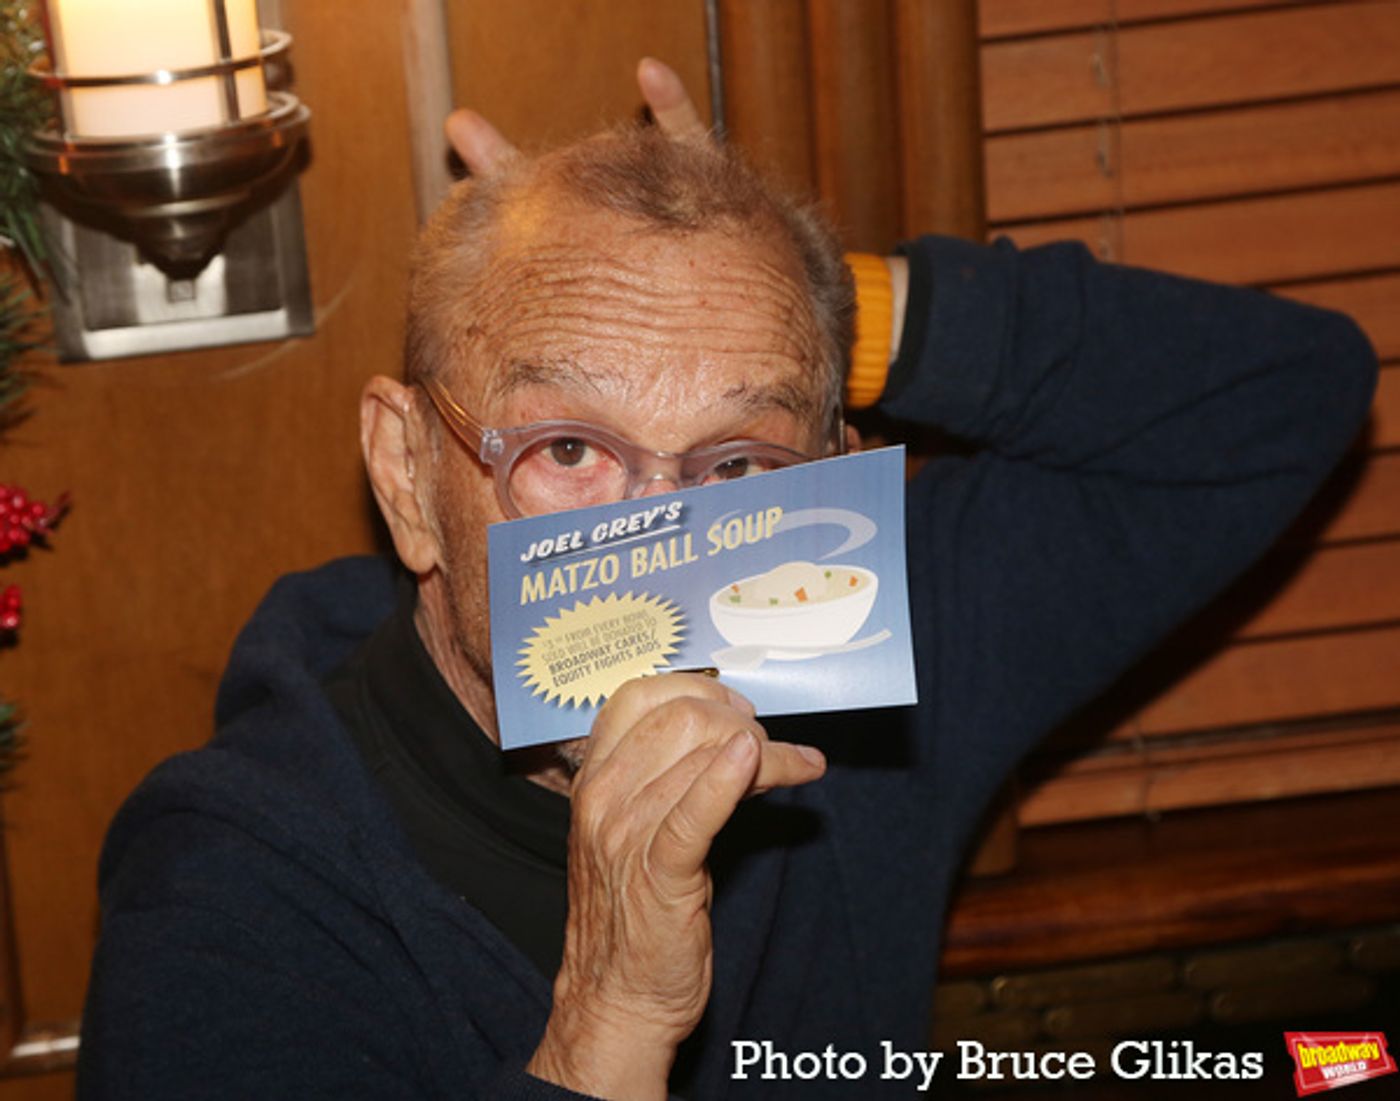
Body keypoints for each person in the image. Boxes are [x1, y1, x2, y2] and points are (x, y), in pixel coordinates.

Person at [76, 61, 1376, 1099]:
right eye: (568, 446)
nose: (654, 531)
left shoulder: (847, 665)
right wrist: (609, 1022)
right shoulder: (234, 882)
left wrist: (797, 294)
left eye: (739, 456)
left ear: (829, 480)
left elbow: (1282, 398)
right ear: (410, 475)